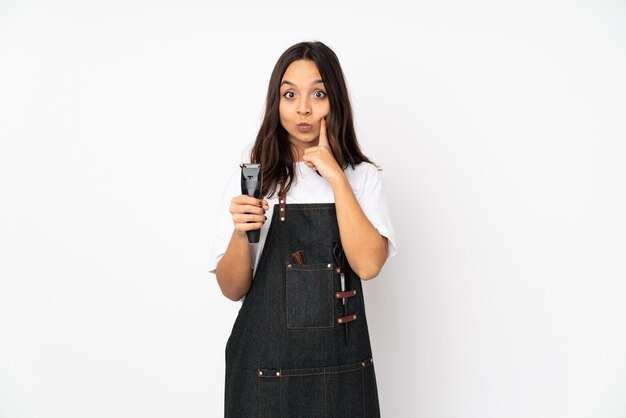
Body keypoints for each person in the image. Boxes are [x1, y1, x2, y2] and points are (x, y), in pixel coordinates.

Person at [208, 41, 397, 417]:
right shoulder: (251, 181)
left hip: (340, 373)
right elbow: (232, 289)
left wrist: (335, 179)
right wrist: (239, 231)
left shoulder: (361, 178)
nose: (304, 108)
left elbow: (368, 266)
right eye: (290, 94)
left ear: (335, 101)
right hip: (263, 373)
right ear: (276, 103)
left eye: (319, 93)